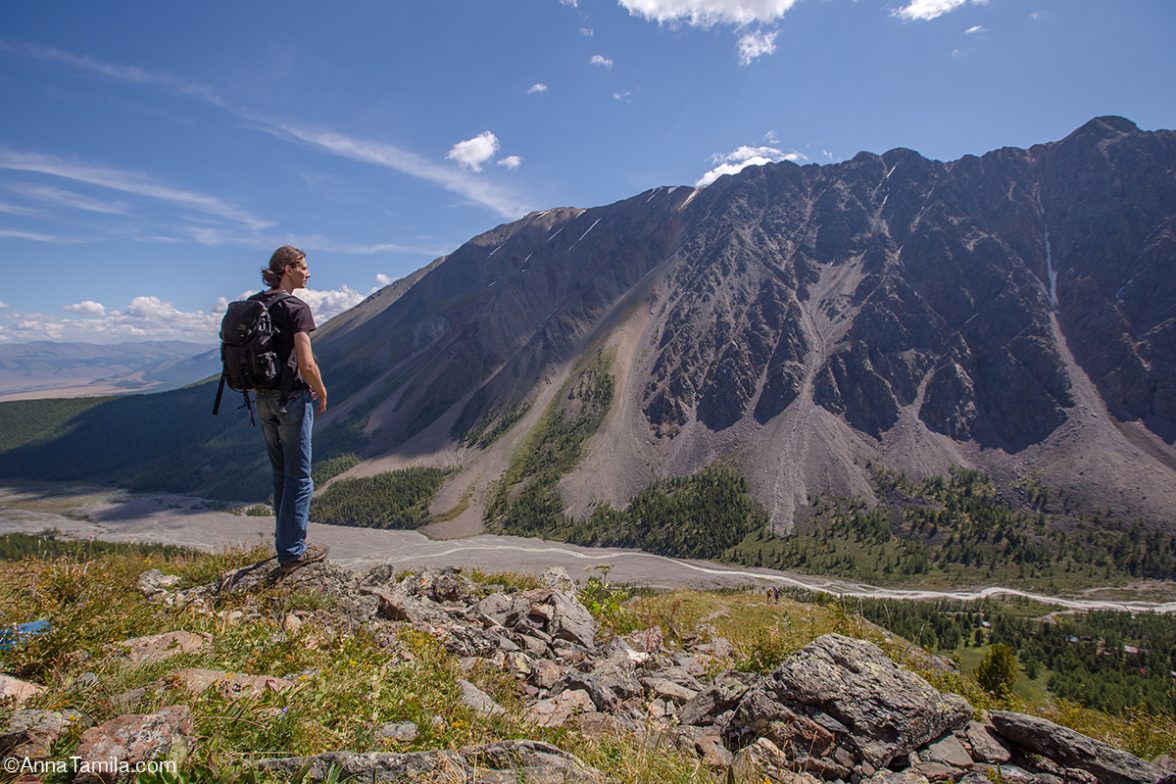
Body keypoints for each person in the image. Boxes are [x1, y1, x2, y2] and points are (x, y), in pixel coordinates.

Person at [255, 245, 330, 574]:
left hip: (262, 399)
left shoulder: (258, 304)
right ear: (286, 268)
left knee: (280, 474)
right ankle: (292, 552)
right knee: (300, 478)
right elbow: (307, 362)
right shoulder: (297, 308)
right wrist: (321, 389)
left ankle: (285, 543)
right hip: (293, 401)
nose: (308, 272)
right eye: (303, 266)